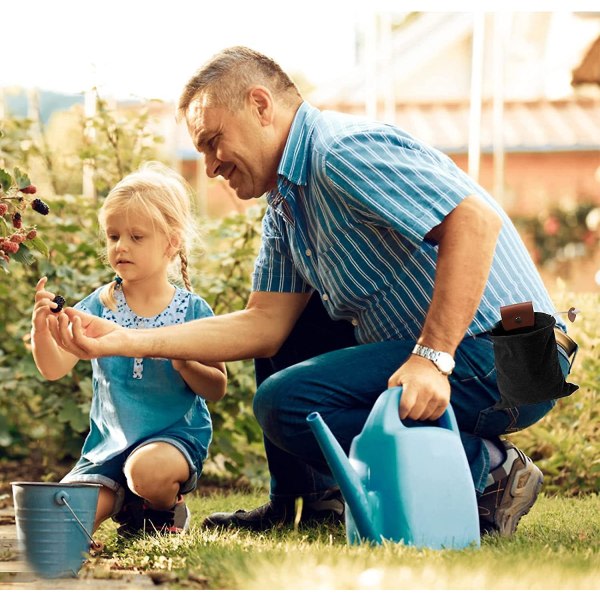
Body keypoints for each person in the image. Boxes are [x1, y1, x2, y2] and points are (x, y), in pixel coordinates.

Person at [49, 47, 578, 537]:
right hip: (465, 358)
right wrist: (121, 339)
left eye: (213, 141)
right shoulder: (286, 204)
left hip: (503, 359)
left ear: (260, 105)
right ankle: (306, 502)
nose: (209, 166)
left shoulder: (338, 151)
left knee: (287, 402)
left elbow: (475, 221)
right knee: (289, 332)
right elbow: (263, 324)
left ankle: (488, 469)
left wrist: (432, 357)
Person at [31, 162, 227, 538]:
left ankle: (160, 511)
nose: (121, 246)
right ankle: (128, 502)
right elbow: (54, 368)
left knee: (147, 472)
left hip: (171, 444)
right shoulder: (97, 306)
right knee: (60, 523)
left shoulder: (192, 312)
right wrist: (42, 330)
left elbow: (216, 387)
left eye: (136, 237)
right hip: (108, 450)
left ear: (171, 242)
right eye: (113, 236)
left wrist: (183, 359)